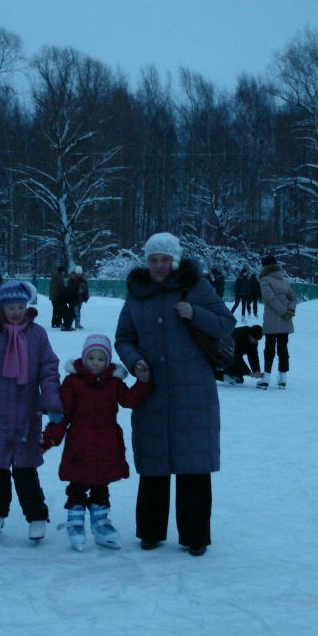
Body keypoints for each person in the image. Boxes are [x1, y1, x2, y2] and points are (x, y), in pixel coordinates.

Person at [115, 232, 235, 557]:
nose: (159, 266)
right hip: (152, 392)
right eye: (153, 259)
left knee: (193, 467)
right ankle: (151, 532)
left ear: (175, 260)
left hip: (194, 393)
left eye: (164, 260)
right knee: (154, 464)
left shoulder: (196, 287)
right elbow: (123, 338)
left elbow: (226, 324)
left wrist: (196, 314)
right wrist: (135, 360)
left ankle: (195, 536)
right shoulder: (137, 294)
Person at [0, 280, 64, 541]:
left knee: (25, 468)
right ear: (1, 308)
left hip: (25, 412)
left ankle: (37, 516)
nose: (17, 312)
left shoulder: (37, 334)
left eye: (21, 306)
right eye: (11, 307)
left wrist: (52, 403)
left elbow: (48, 370)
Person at [41, 333, 152, 551]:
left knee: (101, 487)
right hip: (79, 446)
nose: (95, 363)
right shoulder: (72, 383)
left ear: (108, 361)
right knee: (77, 487)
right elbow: (63, 414)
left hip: (107, 445)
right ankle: (75, 525)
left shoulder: (113, 382)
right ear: (84, 358)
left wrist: (143, 382)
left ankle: (101, 524)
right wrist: (50, 438)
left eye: (101, 359)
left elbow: (130, 400)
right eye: (91, 358)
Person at [258, 254, 297, 389]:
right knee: (283, 348)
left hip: (272, 319)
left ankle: (266, 378)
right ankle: (283, 377)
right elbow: (293, 297)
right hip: (285, 320)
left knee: (269, 348)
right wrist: (289, 310)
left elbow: (270, 299)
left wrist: (283, 312)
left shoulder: (264, 280)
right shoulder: (284, 280)